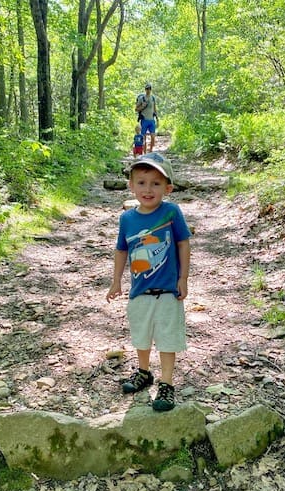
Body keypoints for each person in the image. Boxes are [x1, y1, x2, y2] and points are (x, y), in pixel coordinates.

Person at [106, 152, 191, 412]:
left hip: (167, 289)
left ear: (168, 188)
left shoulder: (171, 212)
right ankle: (144, 372)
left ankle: (166, 383)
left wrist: (183, 277)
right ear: (131, 186)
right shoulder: (127, 219)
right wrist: (116, 281)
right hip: (139, 290)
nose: (148, 189)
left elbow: (182, 242)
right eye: (141, 182)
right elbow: (121, 250)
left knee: (167, 337)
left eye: (156, 183)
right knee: (141, 335)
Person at [135, 83, 158, 153]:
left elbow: (155, 108)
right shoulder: (142, 98)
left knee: (153, 137)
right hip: (144, 120)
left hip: (151, 120)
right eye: (147, 89)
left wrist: (157, 118)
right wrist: (142, 106)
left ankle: (150, 151)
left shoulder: (153, 98)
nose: (148, 90)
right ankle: (145, 153)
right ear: (145, 90)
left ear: (151, 90)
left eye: (149, 89)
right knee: (143, 138)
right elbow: (136, 109)